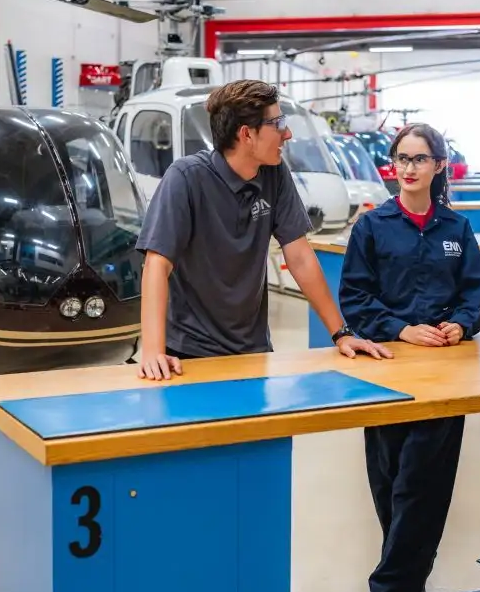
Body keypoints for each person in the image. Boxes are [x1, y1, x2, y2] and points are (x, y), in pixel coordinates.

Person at [133, 79, 392, 380]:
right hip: (190, 353)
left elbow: (300, 257)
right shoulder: (186, 177)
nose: (288, 133)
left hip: (253, 350)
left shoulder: (275, 174)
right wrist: (153, 351)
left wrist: (341, 334)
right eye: (278, 123)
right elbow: (157, 263)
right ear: (246, 134)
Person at [337, 122, 480, 592]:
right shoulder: (372, 226)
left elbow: (474, 290)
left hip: (445, 375)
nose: (408, 168)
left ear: (439, 166)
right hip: (386, 369)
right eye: (401, 158)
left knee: (422, 485)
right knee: (388, 482)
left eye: (419, 159)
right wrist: (401, 329)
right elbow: (355, 296)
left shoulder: (456, 229)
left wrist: (459, 325)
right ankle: (407, 590)